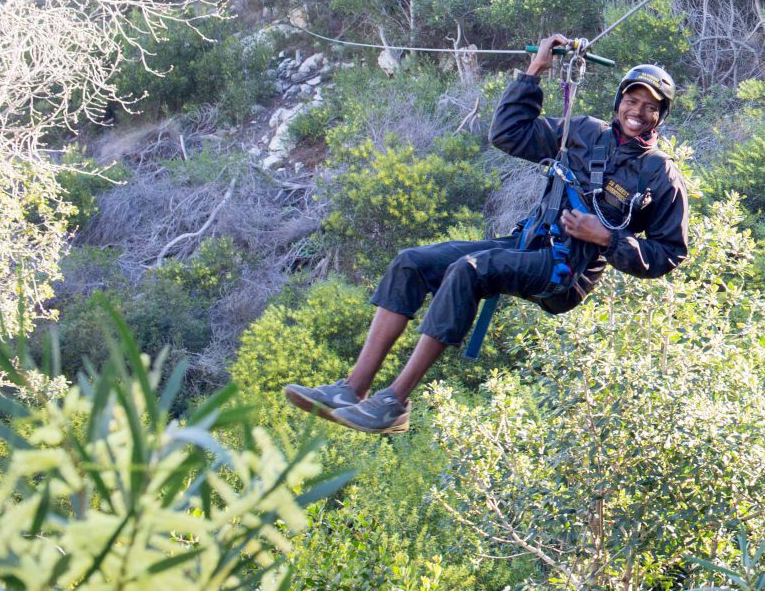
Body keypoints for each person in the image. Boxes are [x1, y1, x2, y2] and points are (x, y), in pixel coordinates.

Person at [283, 33, 688, 434]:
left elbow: (670, 252)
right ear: (619, 101)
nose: (638, 111)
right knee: (411, 263)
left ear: (661, 115)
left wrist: (606, 239)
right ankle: (353, 389)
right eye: (632, 101)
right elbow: (509, 134)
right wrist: (534, 72)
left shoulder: (659, 174)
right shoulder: (584, 133)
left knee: (470, 269)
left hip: (566, 272)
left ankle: (394, 403)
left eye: (650, 107)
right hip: (527, 243)